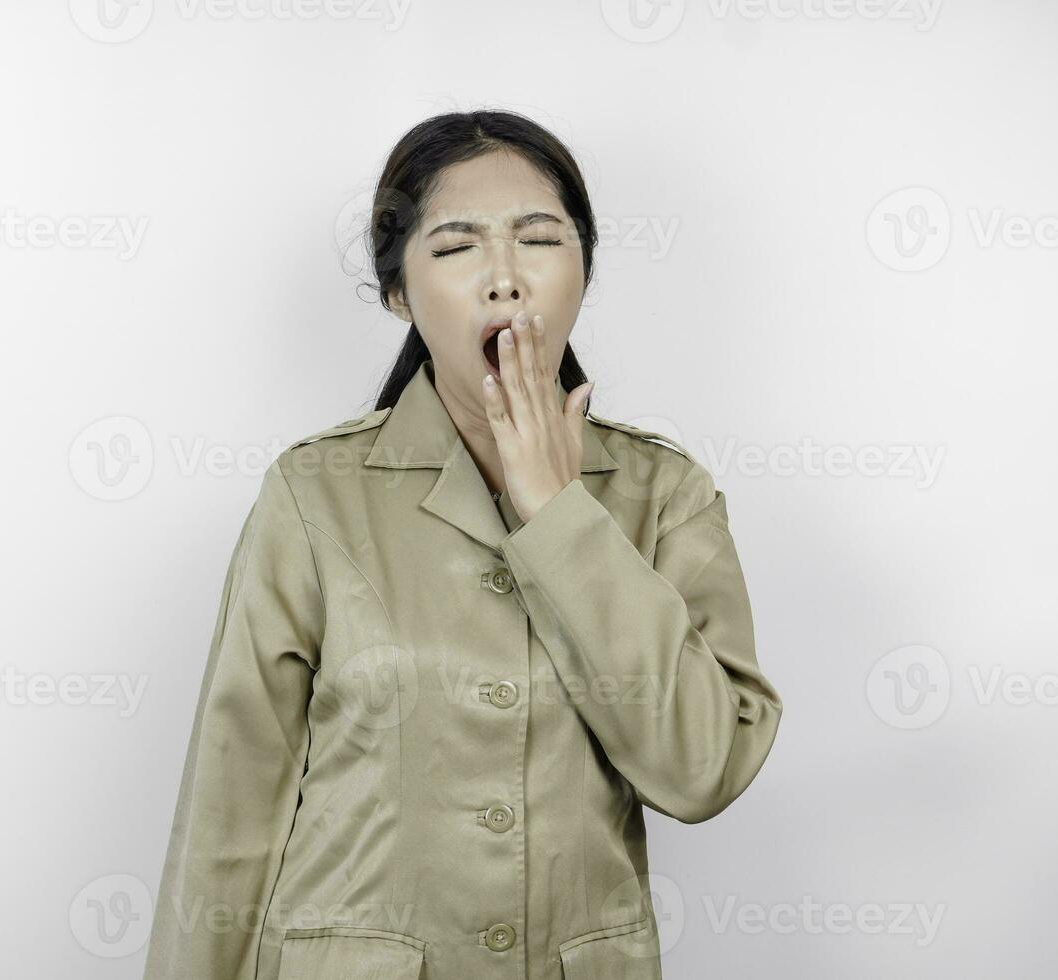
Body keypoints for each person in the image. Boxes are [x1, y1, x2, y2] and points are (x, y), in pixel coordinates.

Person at [142, 109, 783, 980]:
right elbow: (230, 812)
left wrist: (558, 513)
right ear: (401, 293)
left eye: (540, 239)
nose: (505, 280)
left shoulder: (666, 496)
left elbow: (703, 768)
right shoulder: (314, 495)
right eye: (455, 248)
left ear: (583, 271)